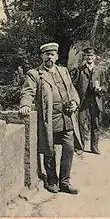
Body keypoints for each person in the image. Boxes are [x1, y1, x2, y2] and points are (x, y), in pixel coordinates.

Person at [19, 42, 83, 194]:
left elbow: (72, 90)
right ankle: (52, 180)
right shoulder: (35, 74)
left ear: (57, 56)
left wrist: (74, 102)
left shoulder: (63, 71)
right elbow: (27, 92)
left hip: (66, 117)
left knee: (69, 148)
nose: (49, 57)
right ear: (42, 56)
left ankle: (65, 182)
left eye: (52, 54)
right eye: (46, 54)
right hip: (49, 119)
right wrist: (25, 105)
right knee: (49, 150)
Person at [72, 47, 107, 155]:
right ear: (85, 57)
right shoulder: (79, 70)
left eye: (91, 55)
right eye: (87, 55)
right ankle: (80, 146)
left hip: (95, 100)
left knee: (95, 124)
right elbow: (73, 85)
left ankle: (94, 147)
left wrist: (100, 89)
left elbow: (105, 86)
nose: (89, 57)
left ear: (95, 57)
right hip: (83, 101)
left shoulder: (99, 71)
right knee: (81, 123)